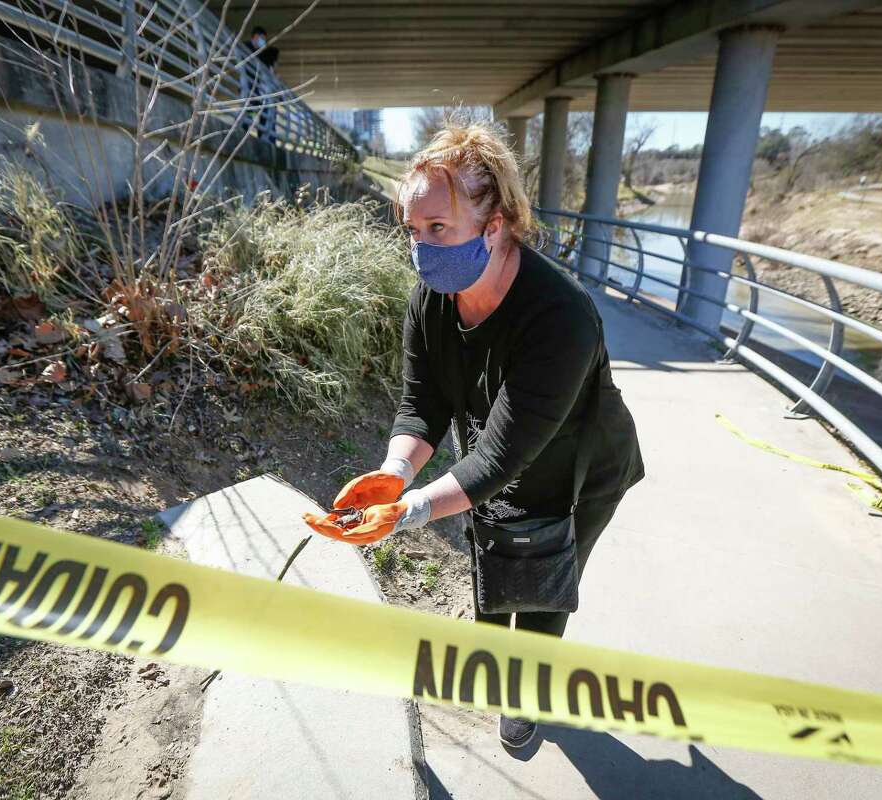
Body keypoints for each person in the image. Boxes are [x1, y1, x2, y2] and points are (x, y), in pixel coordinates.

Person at [302, 122, 645, 750]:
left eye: (440, 229)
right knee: (490, 555)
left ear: (496, 225)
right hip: (494, 450)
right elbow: (423, 401)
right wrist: (394, 474)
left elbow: (502, 456)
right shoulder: (434, 295)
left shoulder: (559, 316)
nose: (423, 248)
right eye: (414, 230)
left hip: (577, 468)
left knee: (544, 582)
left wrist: (406, 514)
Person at [239, 27, 279, 145]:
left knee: (262, 113)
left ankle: (264, 139)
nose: (263, 42)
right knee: (250, 111)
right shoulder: (245, 48)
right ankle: (243, 134)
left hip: (259, 90)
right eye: (261, 38)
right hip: (250, 87)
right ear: (255, 37)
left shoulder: (262, 53)